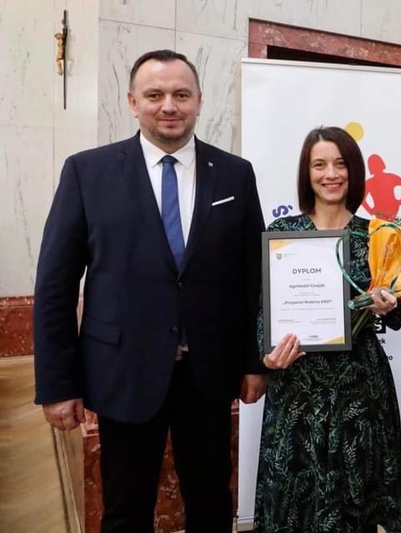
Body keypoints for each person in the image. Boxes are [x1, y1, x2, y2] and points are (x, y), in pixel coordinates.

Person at [33, 49, 267, 532]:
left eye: (181, 94)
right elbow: (56, 284)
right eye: (155, 94)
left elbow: (253, 278)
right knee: (125, 509)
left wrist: (253, 362)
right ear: (132, 101)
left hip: (209, 373)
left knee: (211, 501)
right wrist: (58, 383)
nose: (169, 106)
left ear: (199, 100)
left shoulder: (235, 174)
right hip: (123, 371)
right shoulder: (88, 172)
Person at [253, 126, 401, 533]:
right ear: (307, 174)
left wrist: (389, 304)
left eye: (340, 164)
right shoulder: (283, 233)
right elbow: (262, 307)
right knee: (293, 498)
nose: (331, 174)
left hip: (359, 386)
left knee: (355, 497)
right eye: (319, 165)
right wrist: (267, 355)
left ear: (354, 171)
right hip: (296, 384)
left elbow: (398, 315)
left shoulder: (377, 235)